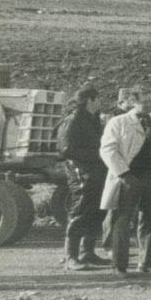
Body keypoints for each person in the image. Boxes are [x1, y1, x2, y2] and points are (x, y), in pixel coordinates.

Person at [98, 87, 151, 274]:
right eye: (143, 100)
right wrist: (124, 174)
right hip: (130, 177)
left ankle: (147, 262)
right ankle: (119, 265)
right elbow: (108, 150)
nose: (147, 103)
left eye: (150, 99)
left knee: (149, 219)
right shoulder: (118, 122)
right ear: (132, 101)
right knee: (123, 219)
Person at [57, 85, 108, 270]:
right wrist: (95, 156)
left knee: (96, 210)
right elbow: (65, 149)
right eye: (98, 98)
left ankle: (88, 252)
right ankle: (71, 256)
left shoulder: (92, 119)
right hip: (80, 170)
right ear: (90, 100)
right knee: (80, 209)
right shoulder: (73, 120)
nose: (100, 102)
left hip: (95, 170)